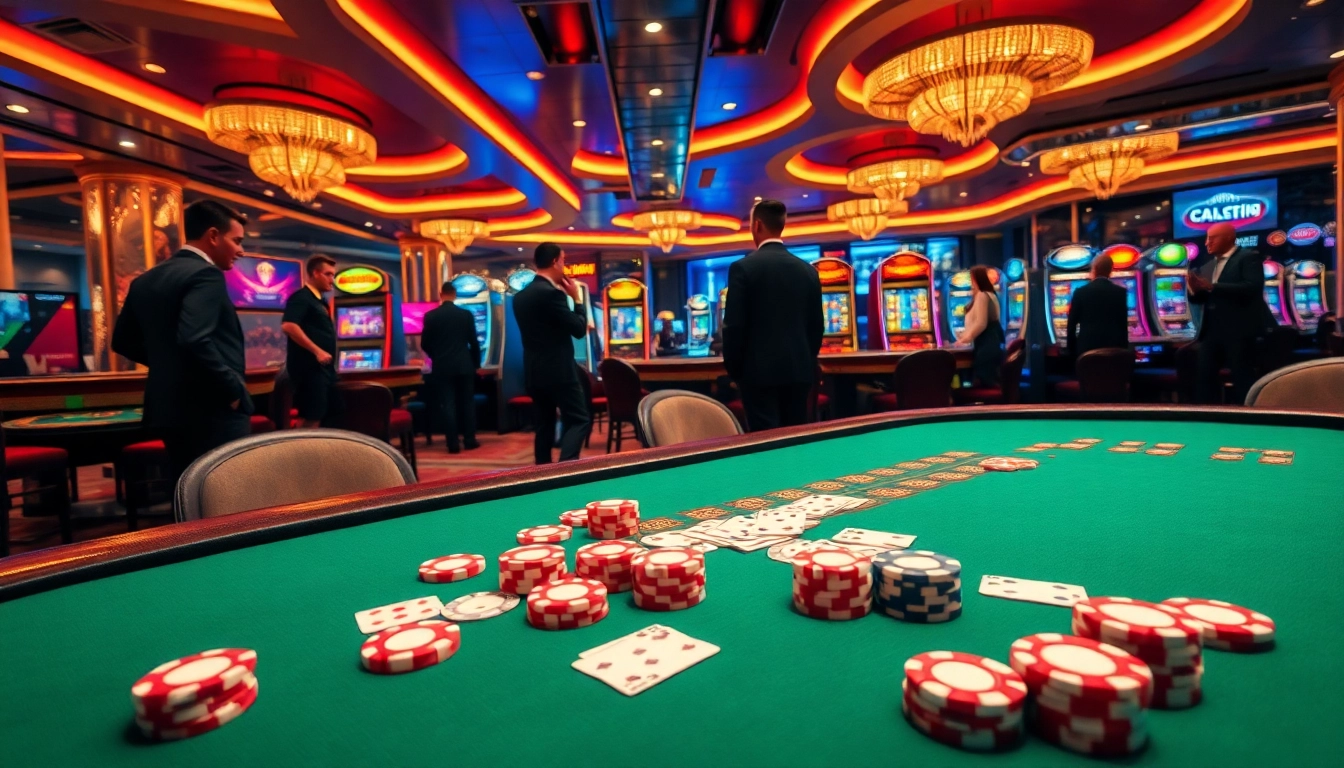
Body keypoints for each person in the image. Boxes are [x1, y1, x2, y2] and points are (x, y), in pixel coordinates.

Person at [112, 199, 253, 478]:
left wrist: (170, 364)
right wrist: (232, 390)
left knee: (185, 493)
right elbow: (194, 338)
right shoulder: (206, 274)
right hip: (212, 407)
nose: (241, 250)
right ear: (213, 236)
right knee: (226, 498)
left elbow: (122, 342)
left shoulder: (145, 279)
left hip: (167, 408)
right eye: (236, 241)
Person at [722, 199, 823, 431]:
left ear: (757, 225)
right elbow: (817, 326)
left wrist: (735, 372)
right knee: (795, 439)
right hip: (799, 371)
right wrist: (806, 363)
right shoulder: (808, 271)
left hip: (757, 374)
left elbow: (734, 327)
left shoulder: (743, 268)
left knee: (765, 443)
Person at [512, 242, 591, 463]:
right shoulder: (551, 294)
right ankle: (565, 471)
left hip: (533, 372)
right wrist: (577, 299)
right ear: (555, 261)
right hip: (559, 371)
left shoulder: (520, 297)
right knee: (579, 420)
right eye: (564, 261)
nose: (565, 266)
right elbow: (578, 329)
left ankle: (543, 476)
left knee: (544, 426)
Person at [1188, 222, 1272, 404]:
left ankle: (1251, 420)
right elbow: (1204, 298)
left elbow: (1252, 287)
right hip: (1211, 332)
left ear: (1229, 238)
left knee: (1243, 380)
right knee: (1204, 381)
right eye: (1206, 238)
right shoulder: (1208, 265)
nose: (1206, 243)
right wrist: (1193, 290)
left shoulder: (1248, 257)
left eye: (1212, 238)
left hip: (1239, 331)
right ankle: (1207, 421)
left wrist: (1213, 286)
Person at [420, 281, 481, 453]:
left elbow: (425, 343)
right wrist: (476, 364)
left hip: (442, 366)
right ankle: (469, 440)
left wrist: (436, 355)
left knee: (448, 404)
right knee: (467, 403)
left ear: (441, 294)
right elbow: (474, 342)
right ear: (455, 294)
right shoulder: (465, 315)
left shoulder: (431, 316)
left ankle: (452, 444)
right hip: (464, 364)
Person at [281, 254, 340, 428]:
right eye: (328, 274)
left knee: (327, 413)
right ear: (315, 273)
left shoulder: (320, 300)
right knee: (311, 416)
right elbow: (289, 326)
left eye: (333, 275)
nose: (332, 279)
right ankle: (298, 454)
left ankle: (318, 453)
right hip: (309, 369)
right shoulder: (301, 297)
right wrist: (317, 351)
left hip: (323, 369)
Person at [1065, 253, 1129, 362]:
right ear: (1111, 270)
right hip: (1113, 350)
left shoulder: (1080, 292)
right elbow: (1123, 325)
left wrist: (1071, 349)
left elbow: (1071, 325)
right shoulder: (1120, 293)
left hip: (1087, 350)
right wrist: (1123, 349)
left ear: (1094, 268)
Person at [955, 265, 1005, 387]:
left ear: (977, 278)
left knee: (985, 382)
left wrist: (965, 339)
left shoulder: (983, 295)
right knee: (985, 381)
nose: (971, 282)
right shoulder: (990, 294)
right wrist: (963, 338)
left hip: (986, 345)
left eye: (972, 278)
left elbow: (981, 323)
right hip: (990, 344)